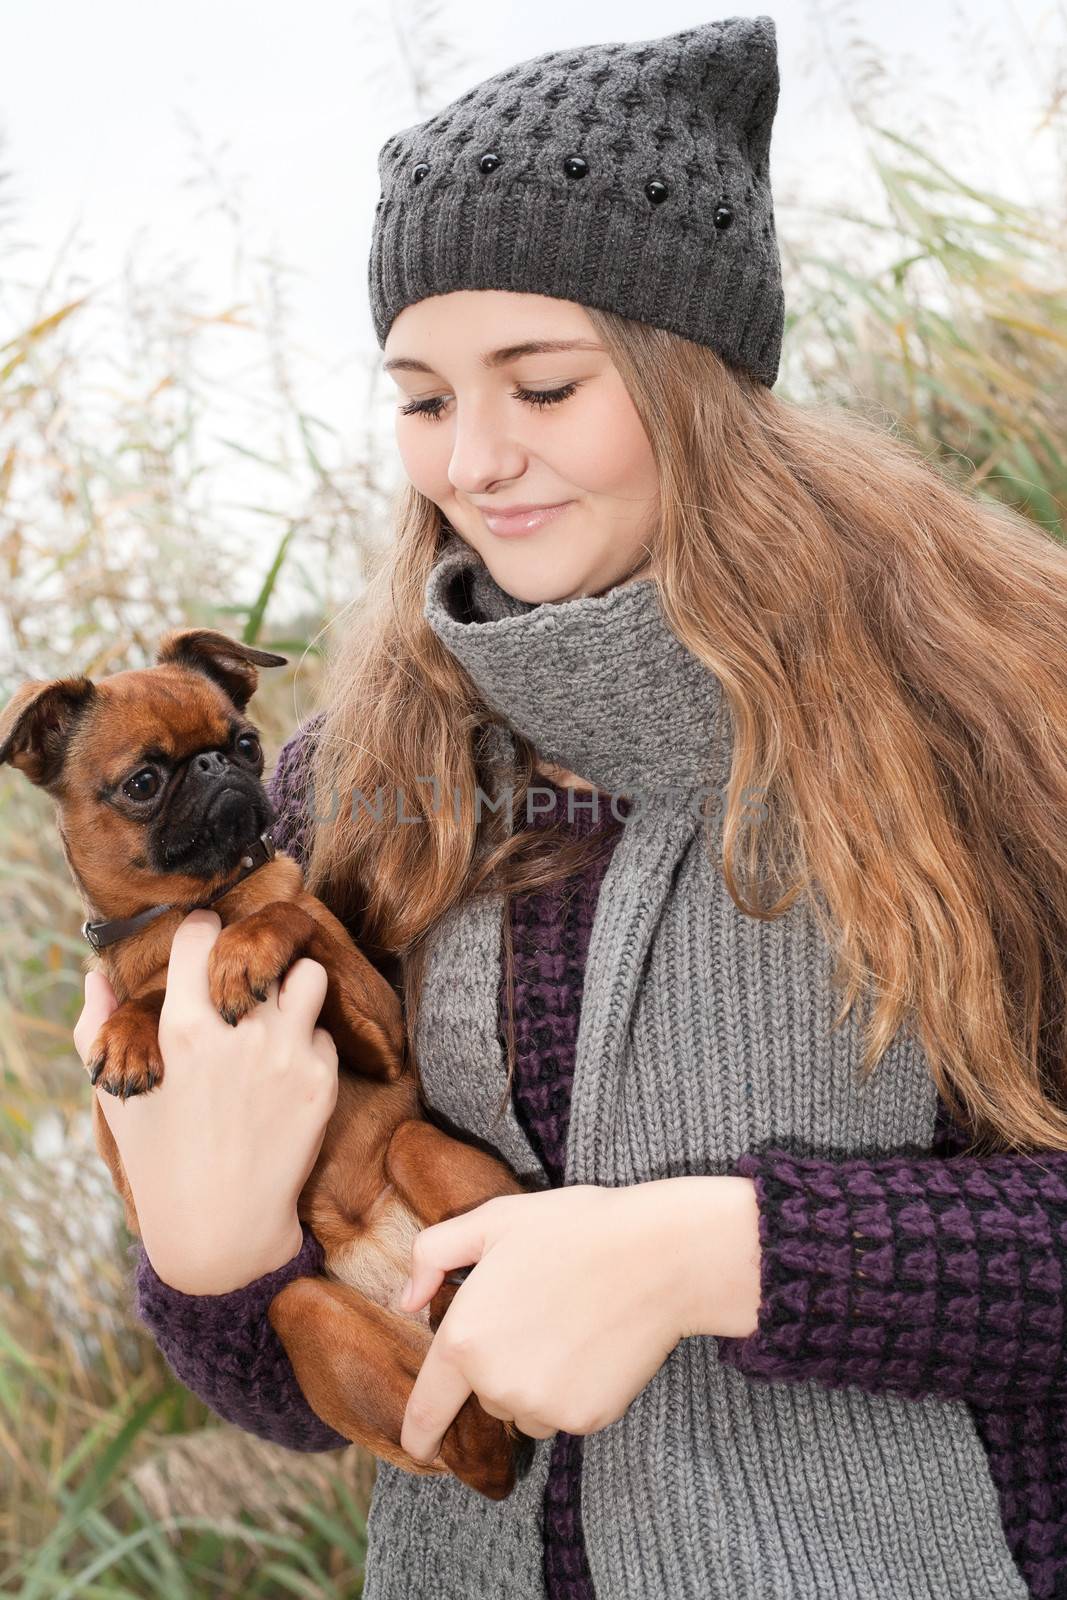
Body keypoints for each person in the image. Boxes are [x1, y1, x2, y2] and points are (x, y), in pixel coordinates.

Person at [72, 15, 1067, 1600]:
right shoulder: (357, 785)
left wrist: (721, 1257)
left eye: (541, 383)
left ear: (697, 378)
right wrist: (207, 1257)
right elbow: (308, 1391)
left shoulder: (997, 726)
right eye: (418, 398)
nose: (473, 459)